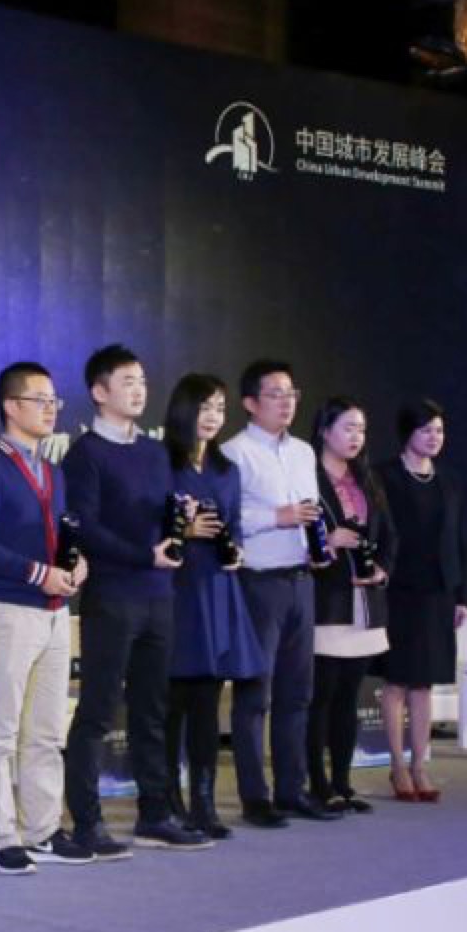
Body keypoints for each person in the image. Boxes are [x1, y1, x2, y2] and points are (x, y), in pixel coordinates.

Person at [62, 345, 208, 855]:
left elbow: (162, 518)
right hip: (112, 596)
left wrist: (180, 520)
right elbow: (85, 527)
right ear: (99, 392)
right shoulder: (84, 455)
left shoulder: (155, 451)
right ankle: (88, 823)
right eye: (127, 381)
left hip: (159, 595)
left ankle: (155, 813)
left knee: (152, 710)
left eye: (143, 381)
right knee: (98, 711)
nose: (139, 390)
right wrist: (144, 555)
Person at [0, 362, 93, 875]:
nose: (51, 408)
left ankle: (42, 830)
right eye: (40, 399)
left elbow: (60, 534)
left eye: (54, 399)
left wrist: (76, 563)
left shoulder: (54, 471)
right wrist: (39, 573)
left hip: (56, 614)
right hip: (8, 611)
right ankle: (0, 838)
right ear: (11, 407)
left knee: (45, 731)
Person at [218, 359, 341, 827]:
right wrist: (277, 517)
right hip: (258, 583)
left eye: (291, 393)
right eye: (275, 394)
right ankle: (255, 797)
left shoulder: (304, 452)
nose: (286, 402)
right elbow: (227, 520)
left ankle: (293, 790)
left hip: (302, 579)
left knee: (297, 693)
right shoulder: (234, 453)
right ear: (250, 403)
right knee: (255, 695)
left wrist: (318, 547)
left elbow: (310, 512)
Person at [161, 373, 267, 841]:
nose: (213, 417)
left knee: (207, 704)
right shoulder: (162, 462)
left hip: (219, 588)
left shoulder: (226, 469)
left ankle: (203, 803)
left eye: (220, 409)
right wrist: (183, 531)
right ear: (184, 409)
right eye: (205, 407)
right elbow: (148, 523)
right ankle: (168, 800)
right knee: (172, 704)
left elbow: (235, 523)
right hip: (176, 590)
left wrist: (236, 549)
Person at [373, 399, 467, 804]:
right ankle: (397, 766)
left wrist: (461, 595)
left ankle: (420, 765)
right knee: (397, 680)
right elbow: (380, 533)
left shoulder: (449, 480)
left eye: (440, 431)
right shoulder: (383, 476)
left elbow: (458, 540)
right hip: (399, 589)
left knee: (425, 682)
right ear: (407, 433)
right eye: (427, 429)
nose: (435, 437)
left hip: (438, 591)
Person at [308, 397, 395, 815]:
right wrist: (328, 541)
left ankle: (342, 782)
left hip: (365, 604)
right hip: (328, 602)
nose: (356, 437)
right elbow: (302, 537)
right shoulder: (307, 477)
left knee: (349, 698)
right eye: (347, 428)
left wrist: (382, 570)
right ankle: (317, 783)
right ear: (325, 431)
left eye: (361, 429)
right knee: (321, 697)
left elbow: (390, 535)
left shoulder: (367, 479)